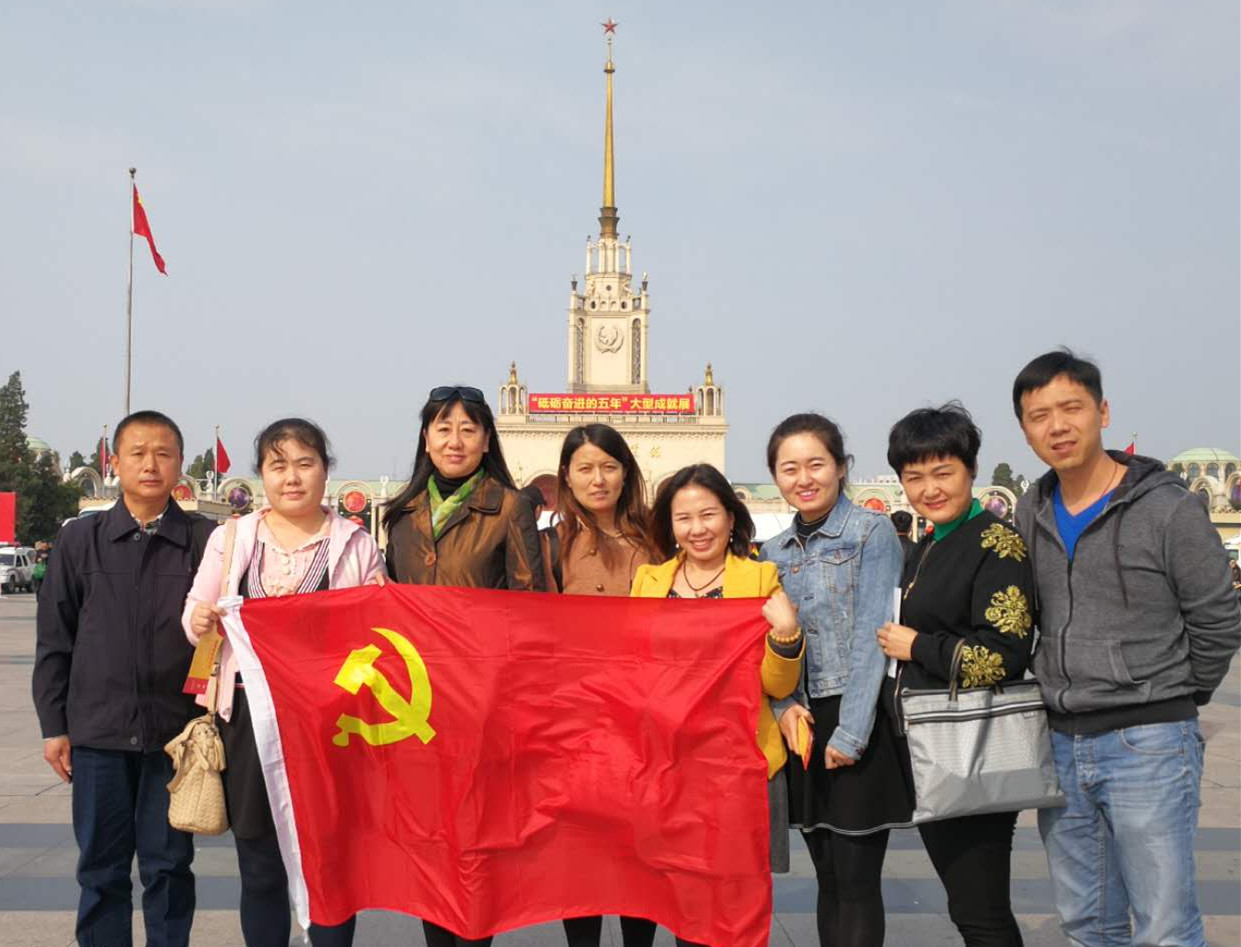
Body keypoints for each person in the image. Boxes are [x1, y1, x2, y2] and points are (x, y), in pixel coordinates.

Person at [1011, 350, 1241, 947]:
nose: (1057, 426)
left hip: (1148, 744)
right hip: (1061, 743)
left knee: (1165, 927)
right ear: (1026, 431)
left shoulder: (1166, 507)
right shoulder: (1031, 510)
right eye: (1039, 416)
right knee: (1087, 923)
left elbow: (1217, 618)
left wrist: (1172, 698)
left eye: (1071, 408)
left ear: (1103, 412)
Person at [183, 418, 384, 947]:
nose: (291, 477)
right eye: (278, 465)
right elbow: (195, 612)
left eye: (304, 463)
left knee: (331, 861)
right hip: (249, 720)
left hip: (329, 725)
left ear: (325, 471)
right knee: (260, 862)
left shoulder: (355, 544)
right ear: (262, 475)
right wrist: (200, 619)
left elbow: (376, 641)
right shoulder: (232, 539)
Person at [33, 410, 211, 947]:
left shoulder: (206, 541)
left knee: (169, 867)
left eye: (163, 454)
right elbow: (55, 641)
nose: (150, 465)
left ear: (180, 463)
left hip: (176, 738)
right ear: (115, 463)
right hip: (98, 736)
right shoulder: (80, 541)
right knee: (101, 870)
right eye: (138, 453)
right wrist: (54, 726)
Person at [382, 385, 542, 947]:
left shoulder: (511, 508)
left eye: (468, 429)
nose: (455, 440)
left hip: (483, 705)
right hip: (417, 705)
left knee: (476, 844)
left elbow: (530, 608)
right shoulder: (401, 514)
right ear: (425, 438)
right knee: (429, 841)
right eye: (443, 428)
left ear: (486, 440)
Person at [877, 403, 1035, 947]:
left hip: (971, 747)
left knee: (980, 910)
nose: (929, 489)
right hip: (931, 747)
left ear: (971, 470)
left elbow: (1004, 654)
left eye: (942, 472)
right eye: (914, 477)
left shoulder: (996, 544)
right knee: (968, 906)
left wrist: (917, 645)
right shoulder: (928, 544)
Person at [631, 463, 803, 947]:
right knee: (684, 901)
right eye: (684, 517)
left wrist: (786, 636)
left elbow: (775, 684)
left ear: (730, 517)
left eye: (708, 514)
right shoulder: (648, 582)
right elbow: (634, 669)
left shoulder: (761, 578)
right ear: (670, 525)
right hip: (671, 764)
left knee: (734, 906)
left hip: (738, 765)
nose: (697, 528)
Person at [758, 414, 905, 947]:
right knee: (827, 876)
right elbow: (769, 648)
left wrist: (852, 732)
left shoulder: (871, 532)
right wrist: (785, 710)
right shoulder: (772, 553)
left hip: (856, 715)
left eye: (816, 464)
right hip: (803, 723)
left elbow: (874, 634)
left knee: (857, 879)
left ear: (841, 467)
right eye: (789, 468)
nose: (804, 478)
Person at [540, 424, 657, 947]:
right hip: (575, 724)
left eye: (609, 467)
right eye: (585, 468)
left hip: (644, 722)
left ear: (626, 473)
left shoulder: (657, 541)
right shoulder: (549, 545)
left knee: (639, 857)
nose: (598, 479)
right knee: (580, 857)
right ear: (566, 476)